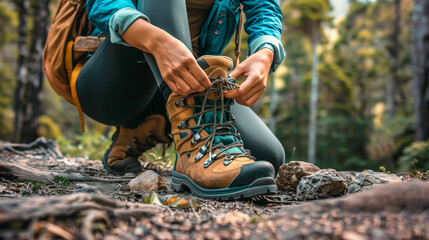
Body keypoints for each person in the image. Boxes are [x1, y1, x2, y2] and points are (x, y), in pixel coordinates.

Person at [77, 0, 286, 200]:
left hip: (191, 85)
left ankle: (150, 126)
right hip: (114, 86)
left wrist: (265, 50)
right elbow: (102, 2)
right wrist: (156, 42)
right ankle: (196, 147)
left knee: (267, 157)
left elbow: (264, 6)